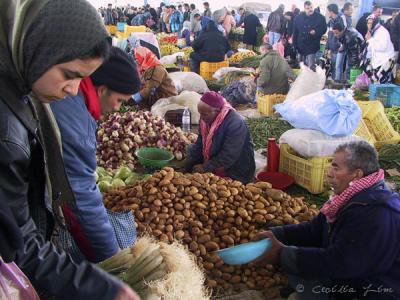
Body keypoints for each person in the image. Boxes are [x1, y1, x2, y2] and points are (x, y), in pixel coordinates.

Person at [0, 0, 139, 299]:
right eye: (69, 74)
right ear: (38, 48)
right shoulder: (7, 131)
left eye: (81, 79)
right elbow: (18, 240)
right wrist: (104, 280)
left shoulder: (20, 91)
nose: (72, 91)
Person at [253, 141, 400, 300]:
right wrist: (277, 234)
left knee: (299, 268)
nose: (329, 173)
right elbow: (313, 230)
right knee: (297, 267)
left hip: (372, 290)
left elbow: (341, 262)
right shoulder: (347, 199)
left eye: (336, 167)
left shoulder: (376, 212)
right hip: (348, 278)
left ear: (357, 175)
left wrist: (282, 253)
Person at [50, 47, 140, 263]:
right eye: (119, 100)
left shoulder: (74, 102)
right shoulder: (74, 119)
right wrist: (111, 258)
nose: (117, 109)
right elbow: (80, 194)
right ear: (101, 90)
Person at [185, 92, 255, 184]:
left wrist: (205, 167)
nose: (201, 118)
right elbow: (200, 143)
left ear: (217, 111)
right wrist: (188, 165)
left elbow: (229, 154)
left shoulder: (235, 123)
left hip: (237, 166)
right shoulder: (205, 120)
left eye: (204, 114)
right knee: (190, 150)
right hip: (216, 158)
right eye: (200, 114)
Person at [360, 15, 397, 83]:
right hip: (378, 61)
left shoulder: (382, 32)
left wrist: (370, 39)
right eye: (368, 23)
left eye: (371, 23)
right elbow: (371, 48)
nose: (369, 25)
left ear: (375, 23)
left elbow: (382, 47)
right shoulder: (374, 31)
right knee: (374, 81)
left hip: (386, 60)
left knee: (379, 82)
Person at [293, 1, 327, 68]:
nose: (310, 10)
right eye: (308, 8)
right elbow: (295, 32)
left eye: (311, 7)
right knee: (301, 66)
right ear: (304, 9)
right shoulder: (298, 18)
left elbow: (324, 29)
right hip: (300, 46)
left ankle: (311, 78)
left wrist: (316, 32)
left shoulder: (320, 18)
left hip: (312, 46)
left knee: (311, 66)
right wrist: (294, 45)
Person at [326, 4, 344, 80]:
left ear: (331, 12)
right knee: (333, 66)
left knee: (337, 67)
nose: (327, 13)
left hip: (338, 49)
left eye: (328, 11)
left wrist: (338, 46)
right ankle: (333, 83)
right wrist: (328, 47)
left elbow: (341, 36)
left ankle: (337, 85)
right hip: (332, 48)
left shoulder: (340, 21)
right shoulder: (330, 21)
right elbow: (329, 35)